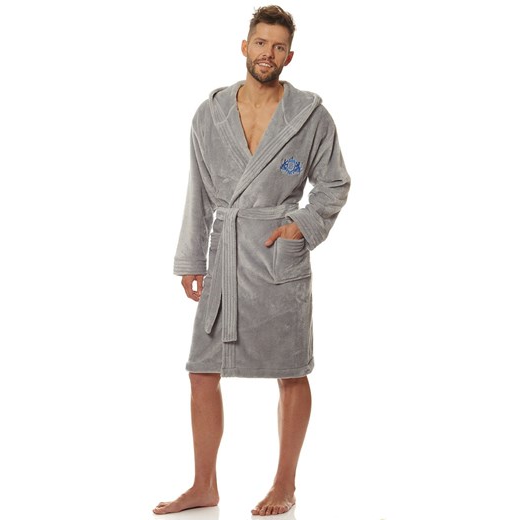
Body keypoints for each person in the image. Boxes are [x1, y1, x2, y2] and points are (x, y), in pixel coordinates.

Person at [154, 5, 351, 516]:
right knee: (202, 371)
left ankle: (285, 484)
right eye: (261, 43)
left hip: (276, 257)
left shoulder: (310, 117)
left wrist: (300, 226)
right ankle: (204, 485)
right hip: (225, 255)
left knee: (291, 371)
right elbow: (198, 191)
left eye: (279, 46)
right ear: (245, 47)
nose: (268, 53)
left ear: (290, 56)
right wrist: (191, 259)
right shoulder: (210, 114)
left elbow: (334, 184)